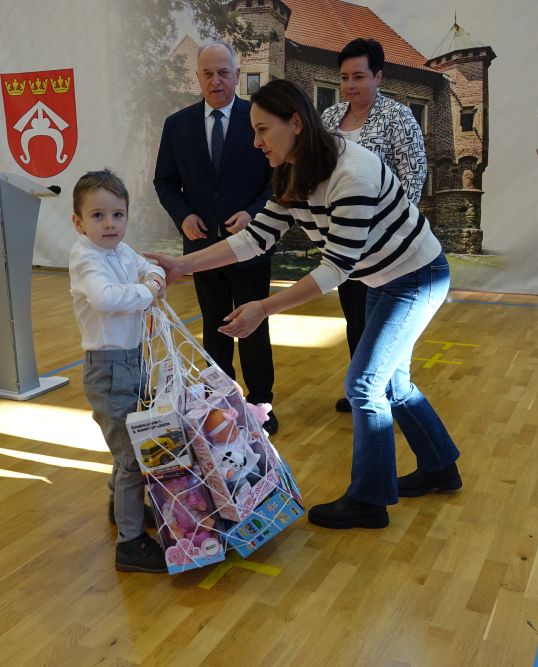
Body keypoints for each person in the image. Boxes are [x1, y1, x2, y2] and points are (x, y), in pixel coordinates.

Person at [146, 80, 461, 530]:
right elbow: (254, 239)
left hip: (416, 276)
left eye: (262, 130)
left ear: (295, 123)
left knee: (365, 386)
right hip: (382, 276)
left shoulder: (352, 174)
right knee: (391, 384)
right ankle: (440, 467)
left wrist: (262, 307)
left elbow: (335, 270)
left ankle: (369, 501)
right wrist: (183, 265)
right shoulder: (293, 170)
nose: (256, 143)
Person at [154, 38, 279, 435]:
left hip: (251, 246)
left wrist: (254, 213)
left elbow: (276, 178)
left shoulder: (258, 119)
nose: (216, 80)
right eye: (207, 73)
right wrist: (183, 216)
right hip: (202, 245)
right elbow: (164, 181)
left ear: (237, 75)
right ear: (198, 77)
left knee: (253, 326)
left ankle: (261, 404)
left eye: (223, 72)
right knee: (214, 326)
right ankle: (221, 402)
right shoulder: (177, 125)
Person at [68, 169, 168, 572]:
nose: (109, 224)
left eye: (118, 215)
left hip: (133, 360)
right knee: (132, 458)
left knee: (130, 442)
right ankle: (131, 544)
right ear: (78, 222)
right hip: (108, 370)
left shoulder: (121, 251)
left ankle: (120, 505)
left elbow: (150, 268)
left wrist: (153, 279)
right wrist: (149, 291)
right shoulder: (86, 257)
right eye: (98, 216)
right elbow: (106, 299)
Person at [321, 38, 427, 413]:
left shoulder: (399, 118)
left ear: (378, 77)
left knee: (385, 326)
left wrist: (388, 232)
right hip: (344, 242)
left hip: (387, 248)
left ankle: (389, 393)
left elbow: (413, 178)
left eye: (359, 76)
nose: (350, 85)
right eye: (344, 77)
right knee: (355, 320)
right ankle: (361, 390)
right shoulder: (329, 119)